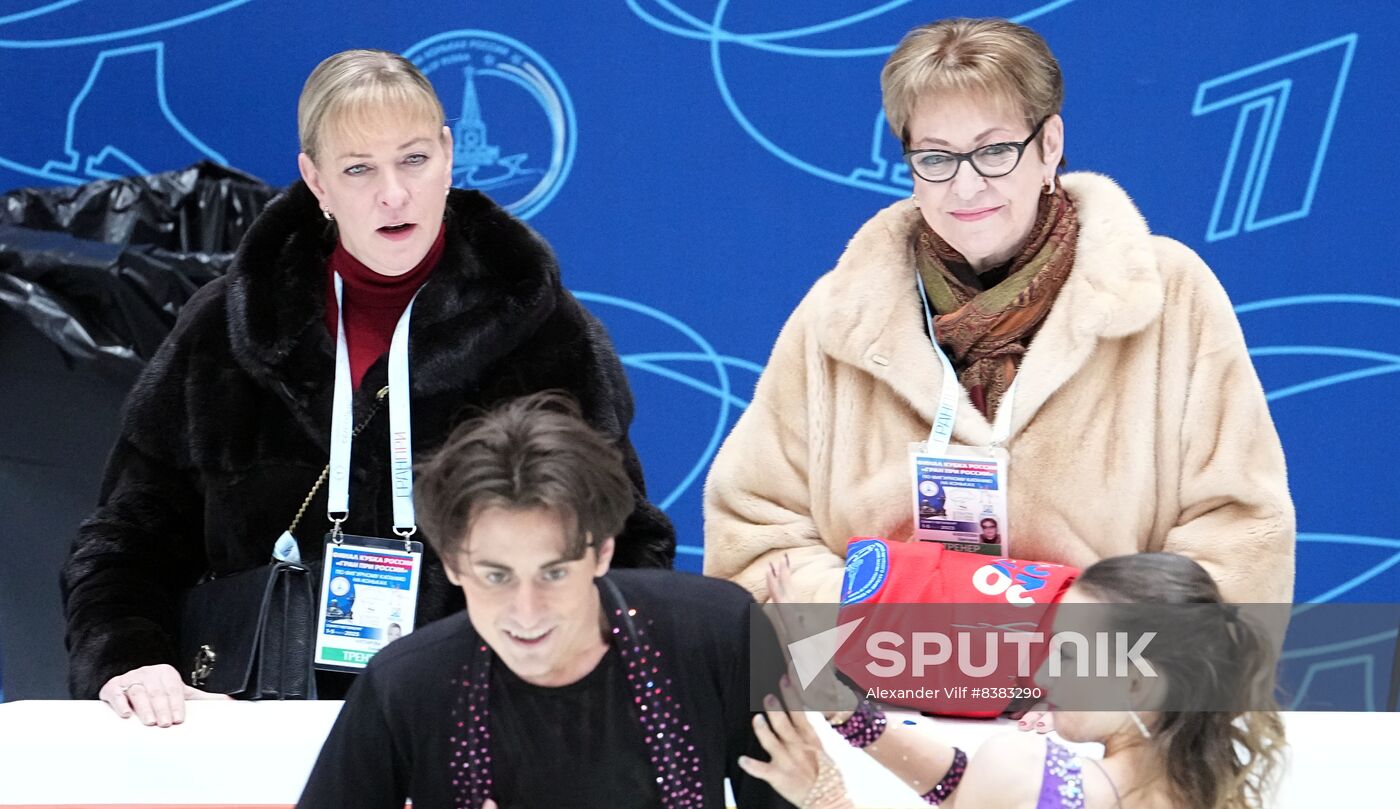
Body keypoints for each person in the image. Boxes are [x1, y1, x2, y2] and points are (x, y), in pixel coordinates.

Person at [60, 49, 674, 727]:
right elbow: (123, 543)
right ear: (316, 181)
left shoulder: (537, 324)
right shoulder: (224, 330)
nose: (393, 193)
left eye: (413, 159)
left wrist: (561, 700)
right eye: (359, 169)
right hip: (254, 726)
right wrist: (129, 657)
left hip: (477, 728)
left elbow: (626, 542)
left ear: (447, 154)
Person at [704, 18, 1293, 606]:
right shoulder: (841, 315)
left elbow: (1239, 536)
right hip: (878, 688)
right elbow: (754, 535)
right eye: (936, 158)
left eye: (993, 151)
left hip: (1101, 688)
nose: (965, 187)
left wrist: (1086, 678)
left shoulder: (1168, 294)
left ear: (1050, 145)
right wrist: (891, 626)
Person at [297, 393, 790, 809]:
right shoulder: (401, 685)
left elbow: (840, 755)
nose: (526, 610)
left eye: (553, 572)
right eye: (495, 576)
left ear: (602, 553)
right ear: (451, 565)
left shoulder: (724, 626)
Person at [744, 552, 1286, 808]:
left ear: (1139, 687)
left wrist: (824, 796)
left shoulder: (1026, 768)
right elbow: (980, 793)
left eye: (1069, 655)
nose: (1045, 673)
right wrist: (843, 709)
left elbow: (998, 791)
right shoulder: (1213, 793)